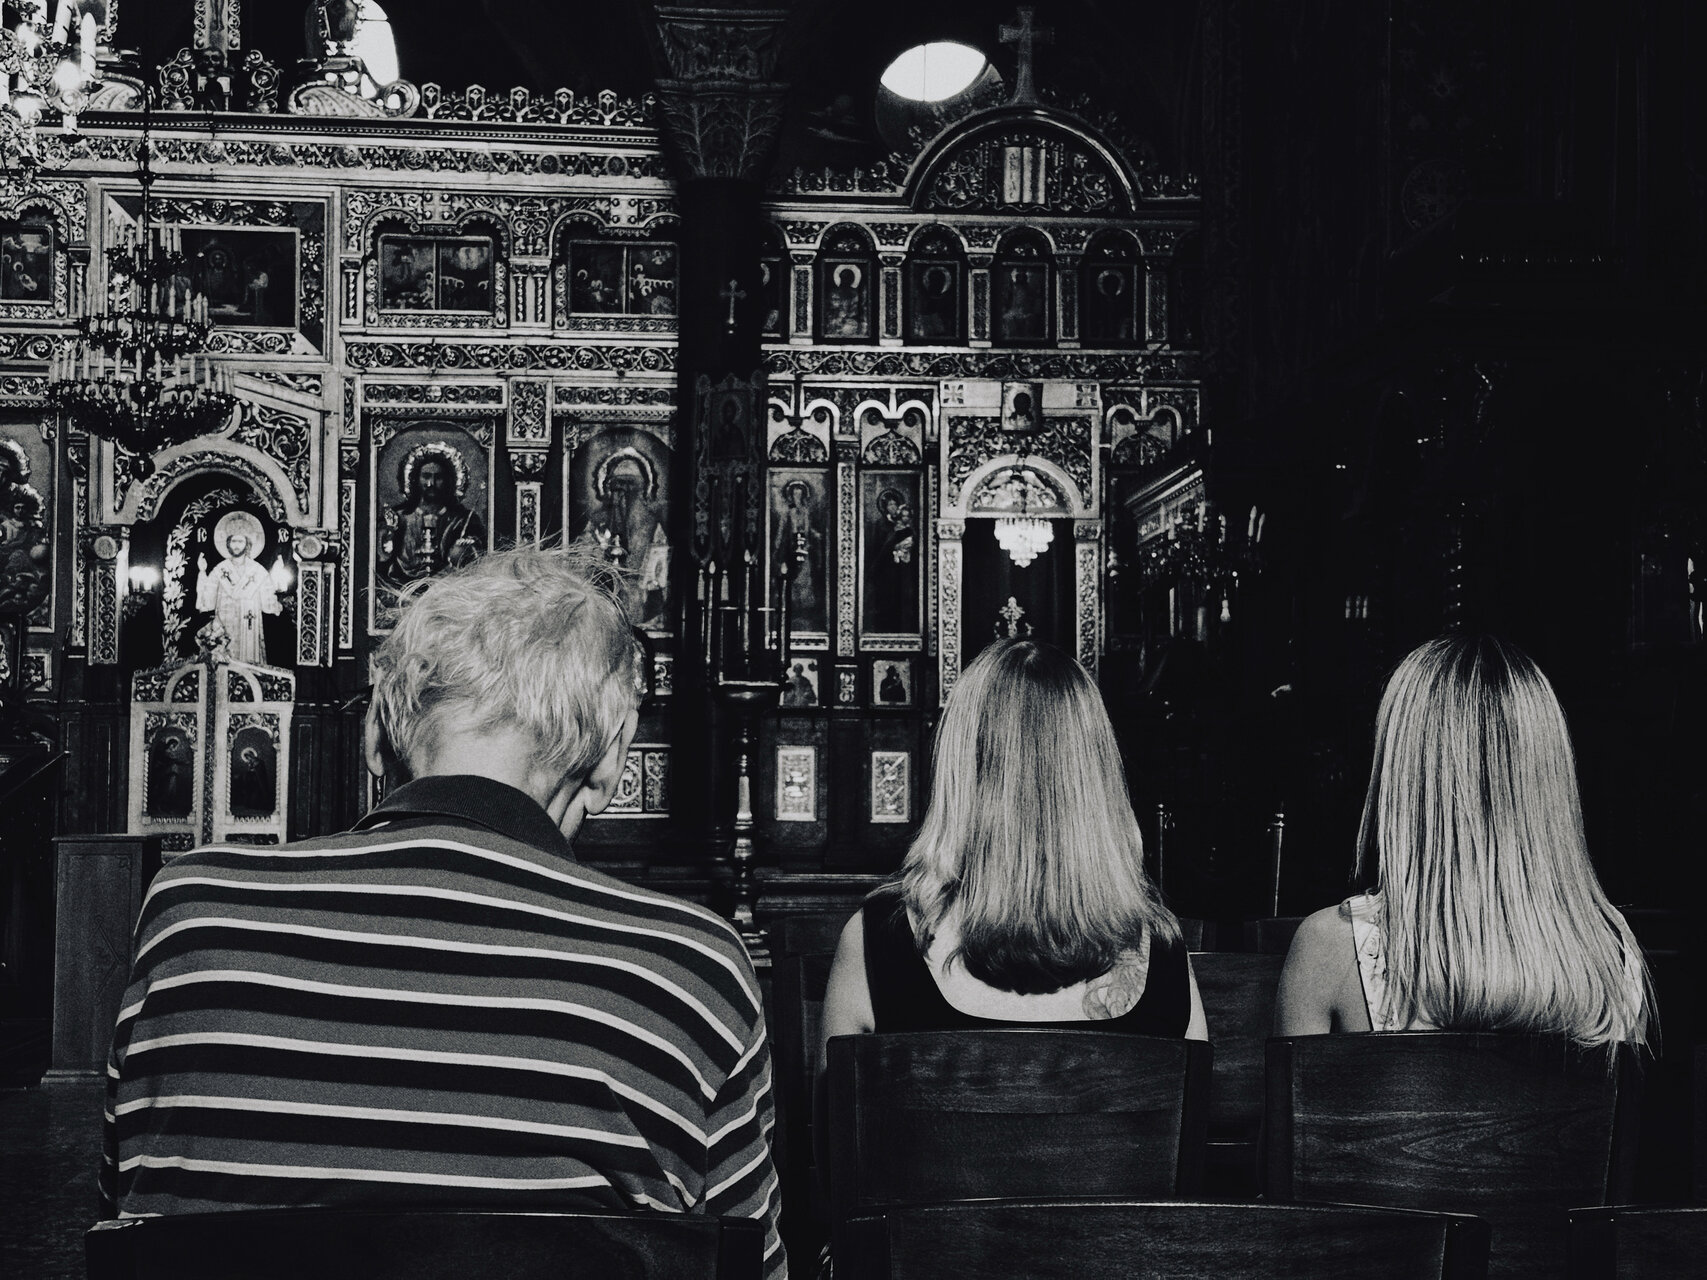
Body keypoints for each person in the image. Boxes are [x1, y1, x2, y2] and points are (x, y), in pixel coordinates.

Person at [101, 545, 786, 1280]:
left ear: (373, 733)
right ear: (612, 761)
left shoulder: (192, 918)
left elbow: (128, 1226)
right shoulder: (688, 970)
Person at [821, 639, 1207, 1058]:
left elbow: (829, 1101)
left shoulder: (878, 940)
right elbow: (1198, 1098)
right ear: (1095, 776)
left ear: (958, 771)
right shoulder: (1162, 950)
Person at [1274, 633, 1654, 1050]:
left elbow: (1287, 1095)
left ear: (1403, 773)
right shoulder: (1612, 953)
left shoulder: (1330, 947)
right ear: (1547, 776)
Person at [377, 443, 486, 589]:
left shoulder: (462, 520)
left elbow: (477, 561)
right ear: (415, 479)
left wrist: (463, 550)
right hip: (402, 592)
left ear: (448, 481)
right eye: (426, 476)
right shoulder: (399, 519)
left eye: (438, 477)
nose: (431, 483)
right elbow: (382, 563)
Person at [194, 511, 281, 665]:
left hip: (250, 623)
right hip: (224, 623)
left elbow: (269, 604)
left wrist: (276, 600)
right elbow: (207, 601)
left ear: (247, 544)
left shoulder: (257, 570)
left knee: (249, 661)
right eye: (233, 541)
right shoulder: (220, 570)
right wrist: (202, 572)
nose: (236, 545)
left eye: (240, 541)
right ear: (228, 543)